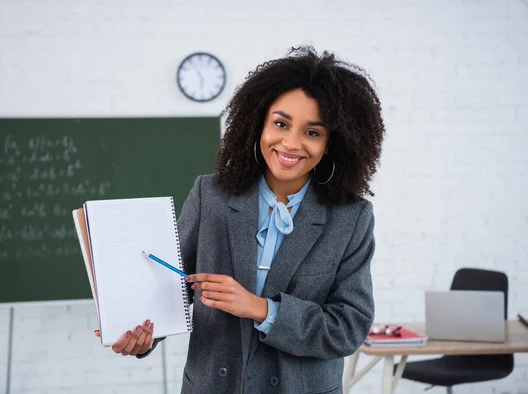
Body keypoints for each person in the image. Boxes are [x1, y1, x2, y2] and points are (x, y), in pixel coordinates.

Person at [95, 46, 385, 393]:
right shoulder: (211, 195)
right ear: (258, 123)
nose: (290, 143)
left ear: (331, 143)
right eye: (281, 123)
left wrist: (262, 309)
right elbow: (173, 288)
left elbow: (347, 327)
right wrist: (143, 335)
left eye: (312, 132)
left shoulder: (351, 219)